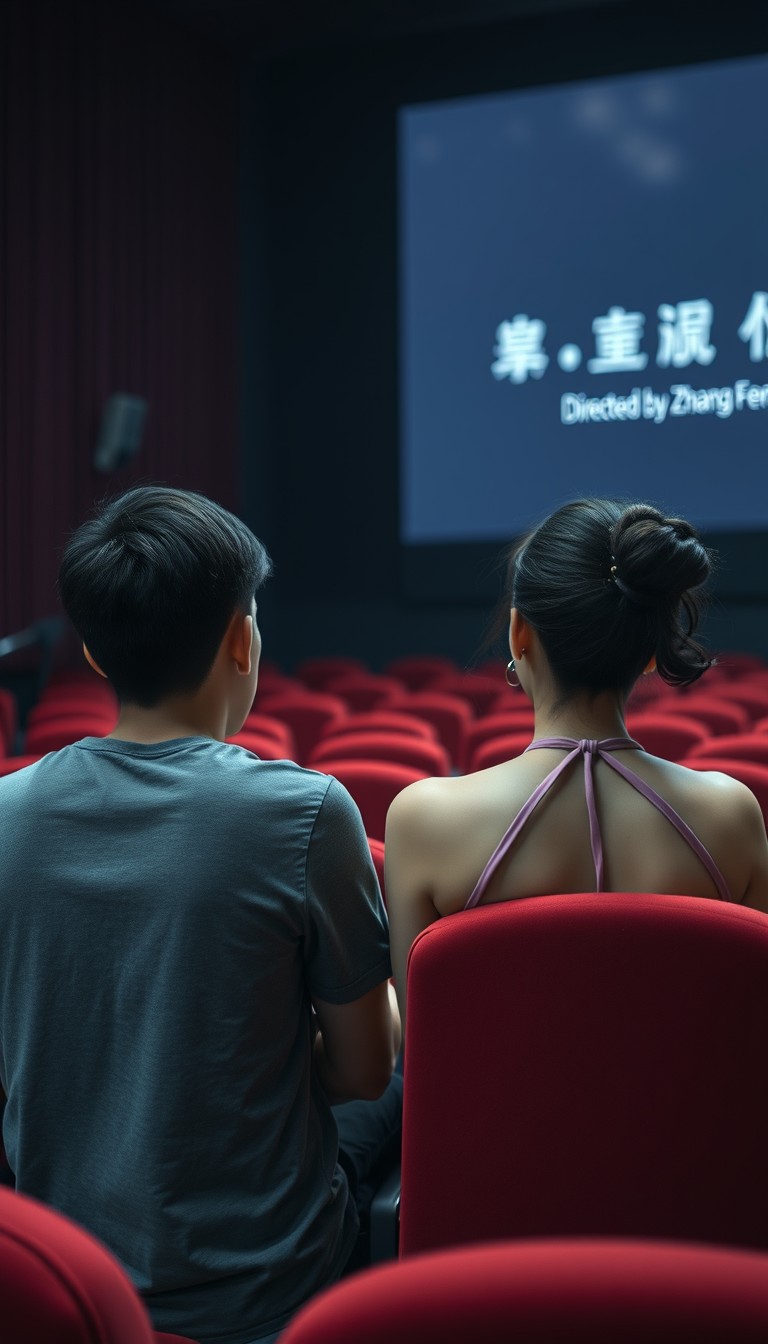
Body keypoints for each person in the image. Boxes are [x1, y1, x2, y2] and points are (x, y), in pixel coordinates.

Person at [0, 485, 400, 1344]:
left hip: (59, 1283)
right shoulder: (306, 813)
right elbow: (364, 1069)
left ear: (98, 657)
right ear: (241, 640)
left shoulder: (4, 814)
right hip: (260, 1292)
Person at [385, 498, 768, 1024]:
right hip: (680, 1109)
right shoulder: (733, 813)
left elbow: (420, 1037)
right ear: (652, 650)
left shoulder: (422, 817)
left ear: (520, 636)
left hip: (495, 1110)